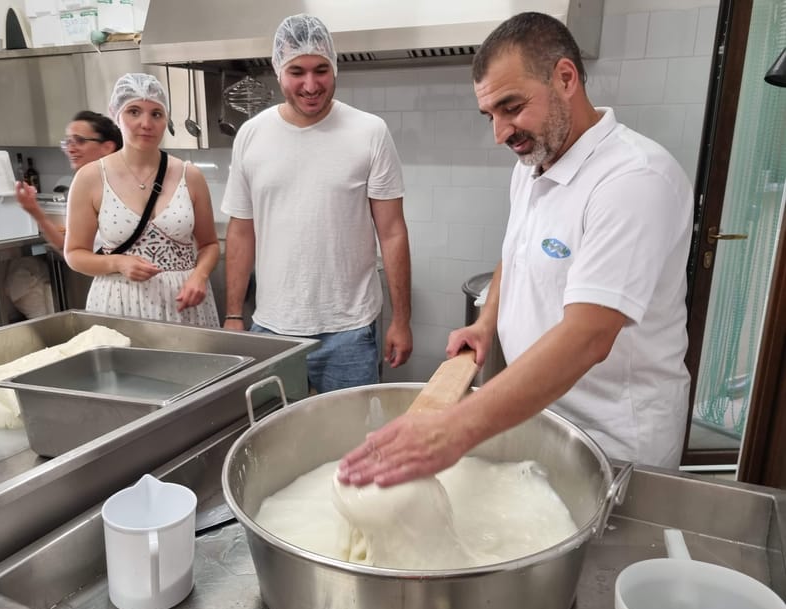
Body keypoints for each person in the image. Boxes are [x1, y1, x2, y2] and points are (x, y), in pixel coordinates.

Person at [339, 11, 694, 486]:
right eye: (491, 115)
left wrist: (455, 428)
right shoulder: (532, 166)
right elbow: (517, 251)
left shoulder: (633, 180)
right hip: (542, 414)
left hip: (616, 442)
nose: (500, 133)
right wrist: (486, 323)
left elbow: (590, 336)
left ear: (565, 77)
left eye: (512, 107)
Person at [221, 14, 413, 393]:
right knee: (276, 446)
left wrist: (401, 320)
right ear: (279, 71)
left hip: (351, 331)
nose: (311, 85)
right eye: (297, 71)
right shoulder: (251, 135)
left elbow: (392, 233)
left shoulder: (369, 132)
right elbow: (241, 231)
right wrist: (232, 314)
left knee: (349, 446)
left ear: (335, 67)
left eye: (320, 70)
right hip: (273, 329)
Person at [64, 73, 221, 327]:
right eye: (134, 112)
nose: (146, 123)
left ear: (165, 119)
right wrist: (117, 262)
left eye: (156, 114)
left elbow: (210, 244)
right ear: (117, 115)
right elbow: (74, 253)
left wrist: (199, 275)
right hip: (119, 304)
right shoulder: (91, 178)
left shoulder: (189, 175)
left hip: (183, 306)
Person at [14, 111, 123, 251]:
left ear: (107, 147)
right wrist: (35, 211)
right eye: (68, 142)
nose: (70, 149)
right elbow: (71, 251)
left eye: (80, 141)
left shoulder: (124, 188)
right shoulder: (84, 188)